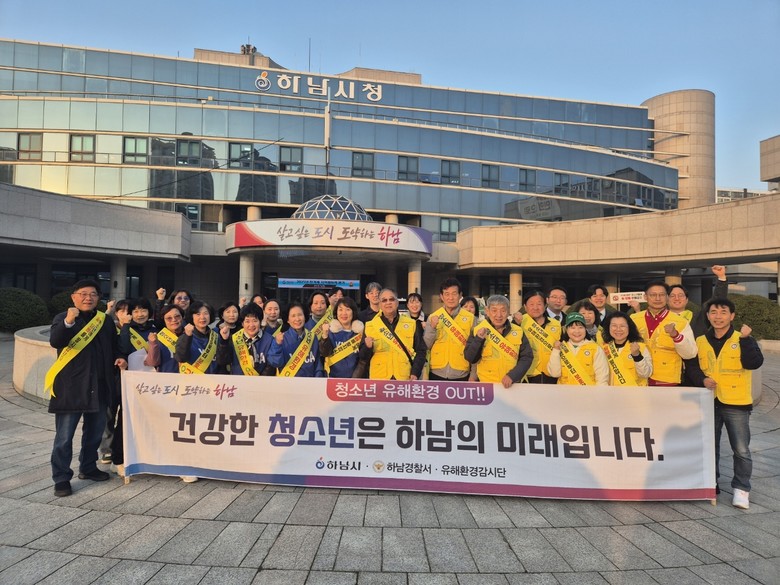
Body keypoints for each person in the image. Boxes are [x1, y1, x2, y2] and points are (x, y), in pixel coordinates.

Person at [45, 279, 127, 497]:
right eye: (83, 294)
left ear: (98, 298)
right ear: (73, 297)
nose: (88, 298)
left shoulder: (105, 321)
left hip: (100, 387)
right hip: (71, 387)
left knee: (94, 433)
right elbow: (56, 341)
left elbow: (115, 346)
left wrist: (120, 357)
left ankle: (88, 467)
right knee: (64, 437)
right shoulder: (63, 318)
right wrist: (69, 321)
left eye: (93, 294)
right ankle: (61, 478)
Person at [687, 298, 764, 509]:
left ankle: (741, 488)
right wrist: (702, 379)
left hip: (736, 402)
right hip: (708, 400)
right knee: (709, 446)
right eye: (713, 312)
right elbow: (692, 367)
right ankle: (711, 483)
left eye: (723, 312)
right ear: (708, 316)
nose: (718, 316)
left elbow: (754, 363)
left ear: (732, 316)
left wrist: (746, 340)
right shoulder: (700, 340)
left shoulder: (743, 338)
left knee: (741, 449)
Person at [630, 280, 697, 386]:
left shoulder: (680, 322)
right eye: (653, 295)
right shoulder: (633, 319)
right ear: (645, 297)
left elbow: (690, 354)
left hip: (666, 381)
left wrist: (676, 336)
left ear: (667, 297)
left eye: (661, 295)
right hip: (636, 379)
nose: (657, 298)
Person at [464, 295, 533, 388]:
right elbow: (470, 358)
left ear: (508, 311)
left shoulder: (518, 331)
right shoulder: (478, 330)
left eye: (503, 311)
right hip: (486, 385)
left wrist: (512, 376)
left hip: (512, 385)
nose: (499, 315)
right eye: (494, 310)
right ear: (487, 311)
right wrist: (478, 339)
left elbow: (527, 357)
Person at [362, 288, 426, 380]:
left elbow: (421, 351)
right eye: (384, 300)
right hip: (379, 378)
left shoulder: (411, 324)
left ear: (397, 302)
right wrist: (367, 347)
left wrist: (415, 373)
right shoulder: (370, 325)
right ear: (379, 304)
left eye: (391, 299)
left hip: (405, 377)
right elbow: (362, 357)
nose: (388, 303)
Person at [424, 278, 475, 382]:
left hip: (461, 373)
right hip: (436, 372)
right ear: (441, 296)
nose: (450, 298)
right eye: (447, 294)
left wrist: (473, 375)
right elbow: (426, 345)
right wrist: (432, 328)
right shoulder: (433, 317)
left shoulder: (471, 318)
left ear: (460, 295)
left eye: (454, 294)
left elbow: (475, 350)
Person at [513, 290, 561, 384]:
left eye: (539, 304)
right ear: (525, 306)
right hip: (527, 375)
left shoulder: (556, 324)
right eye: (531, 304)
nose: (535, 307)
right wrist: (515, 323)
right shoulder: (519, 322)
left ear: (545, 305)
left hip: (551, 374)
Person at [548, 313, 609, 386]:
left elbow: (602, 378)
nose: (577, 331)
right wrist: (556, 351)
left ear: (585, 329)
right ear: (566, 330)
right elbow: (554, 374)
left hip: (588, 391)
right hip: (564, 391)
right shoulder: (560, 347)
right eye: (572, 328)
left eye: (580, 327)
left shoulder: (595, 348)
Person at [269, 302, 325, 377]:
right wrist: (277, 345)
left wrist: (317, 379)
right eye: (293, 316)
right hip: (288, 382)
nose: (297, 319)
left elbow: (317, 365)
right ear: (288, 320)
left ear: (305, 316)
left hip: (310, 382)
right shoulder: (281, 338)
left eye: (300, 315)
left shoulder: (312, 337)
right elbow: (275, 362)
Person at [217, 302, 275, 375]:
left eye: (255, 321)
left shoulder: (270, 340)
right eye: (247, 321)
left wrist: (260, 380)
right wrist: (224, 341)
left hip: (262, 381)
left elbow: (271, 366)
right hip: (238, 381)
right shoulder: (234, 338)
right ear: (242, 323)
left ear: (260, 322)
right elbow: (222, 361)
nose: (251, 325)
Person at [600, 312, 653, 386]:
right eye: (614, 326)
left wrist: (637, 356)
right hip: (610, 392)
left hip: (634, 391)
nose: (618, 329)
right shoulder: (603, 348)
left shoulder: (641, 347)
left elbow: (646, 374)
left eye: (622, 326)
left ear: (629, 328)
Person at [320, 297, 365, 378]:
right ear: (336, 312)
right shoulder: (331, 332)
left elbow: (363, 360)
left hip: (355, 380)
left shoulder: (360, 333)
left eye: (347, 309)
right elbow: (325, 353)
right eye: (340, 310)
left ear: (353, 312)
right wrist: (325, 336)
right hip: (333, 379)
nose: (344, 313)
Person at [175, 301, 220, 375]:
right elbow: (181, 358)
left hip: (213, 380)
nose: (202, 317)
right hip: (191, 380)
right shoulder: (185, 336)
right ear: (191, 316)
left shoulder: (216, 336)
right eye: (198, 314)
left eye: (205, 313)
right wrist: (187, 337)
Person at [146, 304, 185, 373]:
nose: (174, 320)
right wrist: (153, 344)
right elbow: (153, 363)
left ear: (182, 317)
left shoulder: (190, 335)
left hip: (189, 377)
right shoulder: (158, 338)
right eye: (169, 318)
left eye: (177, 316)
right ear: (164, 321)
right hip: (166, 377)